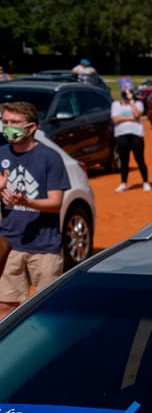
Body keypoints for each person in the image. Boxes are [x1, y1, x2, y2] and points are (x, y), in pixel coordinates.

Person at [0, 101, 71, 321]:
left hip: (44, 247)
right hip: (10, 244)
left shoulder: (50, 157)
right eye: (5, 121)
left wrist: (26, 201)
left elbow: (56, 203)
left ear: (31, 127)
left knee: (46, 311)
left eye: (15, 122)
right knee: (5, 306)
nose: (8, 127)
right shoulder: (1, 154)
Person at [111, 78, 150, 192]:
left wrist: (131, 102)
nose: (127, 94)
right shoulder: (115, 104)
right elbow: (115, 119)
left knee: (140, 159)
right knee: (124, 160)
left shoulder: (138, 104)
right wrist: (130, 118)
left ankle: (145, 182)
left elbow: (137, 114)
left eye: (129, 92)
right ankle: (123, 183)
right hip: (121, 134)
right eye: (125, 91)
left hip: (136, 134)